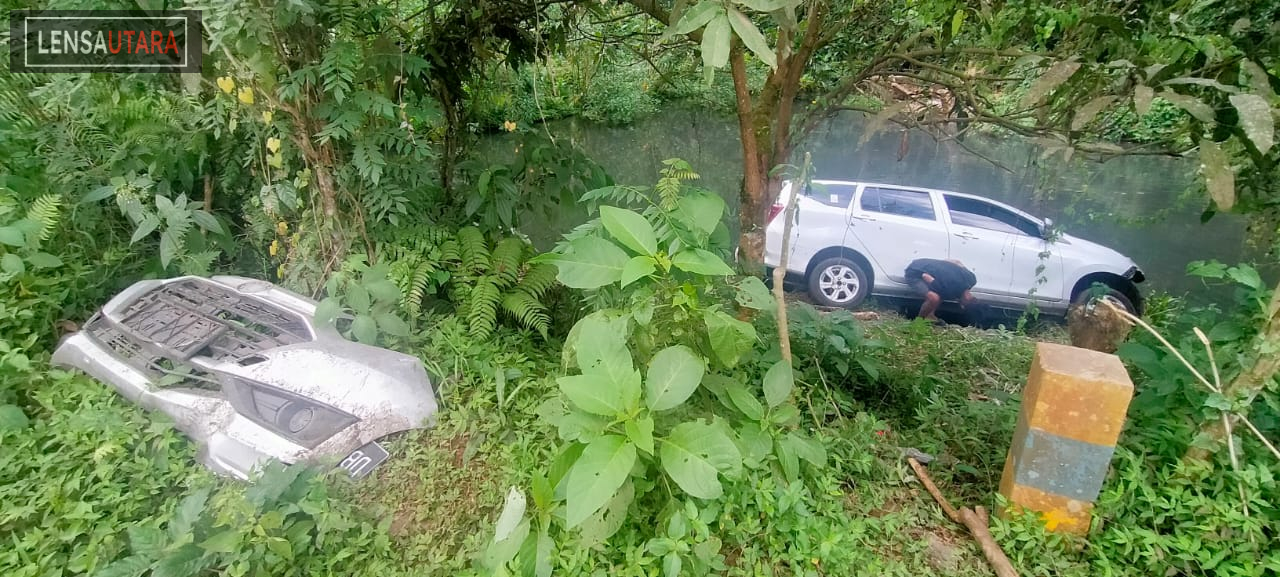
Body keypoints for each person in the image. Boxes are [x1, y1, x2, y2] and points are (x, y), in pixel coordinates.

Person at [904, 258, 977, 324]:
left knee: (942, 291)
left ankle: (930, 316)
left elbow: (957, 262)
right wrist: (933, 271)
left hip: (924, 262)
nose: (959, 303)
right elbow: (925, 276)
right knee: (934, 298)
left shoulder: (972, 279)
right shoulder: (948, 289)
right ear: (963, 304)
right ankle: (918, 323)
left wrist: (940, 267)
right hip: (914, 273)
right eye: (961, 305)